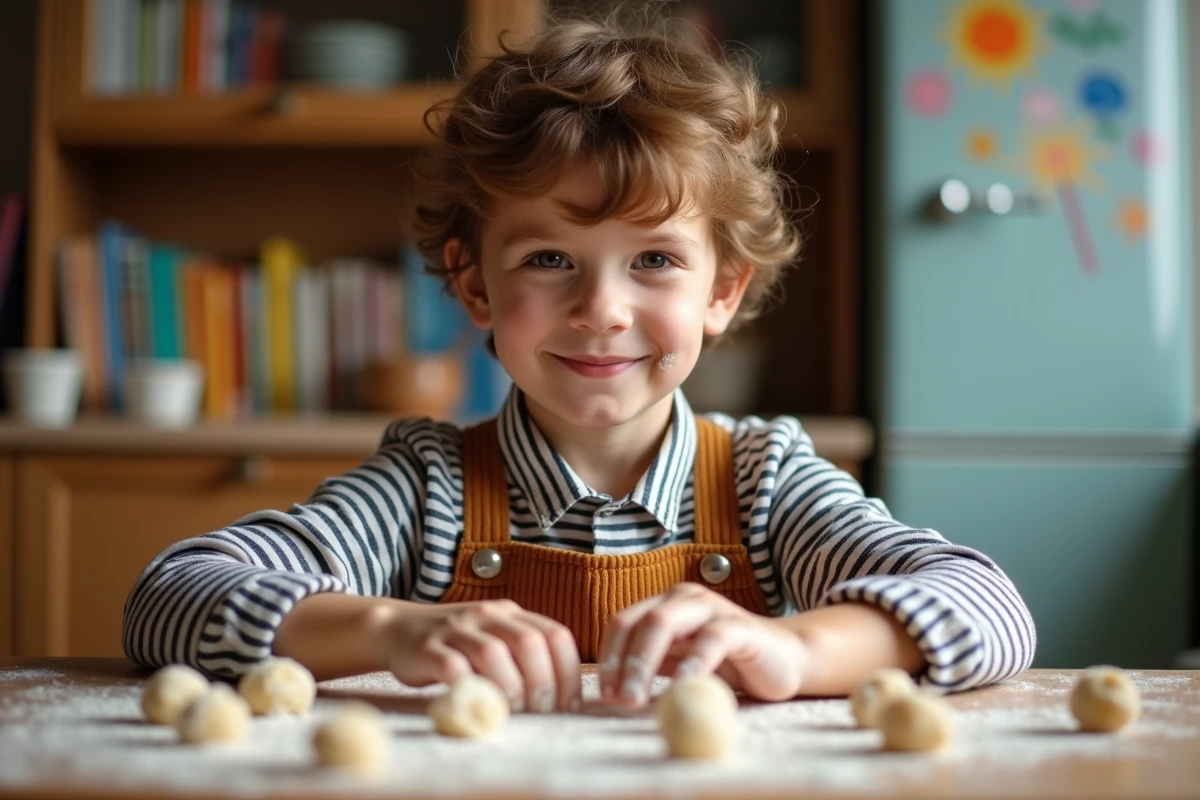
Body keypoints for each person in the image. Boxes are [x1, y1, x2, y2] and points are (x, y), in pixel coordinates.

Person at [122, 9, 1035, 715]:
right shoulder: (427, 487)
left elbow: (991, 608)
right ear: (474, 284)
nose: (602, 309)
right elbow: (170, 595)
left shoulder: (765, 483)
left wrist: (797, 650)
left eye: (656, 261)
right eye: (549, 259)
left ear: (722, 293)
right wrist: (389, 629)